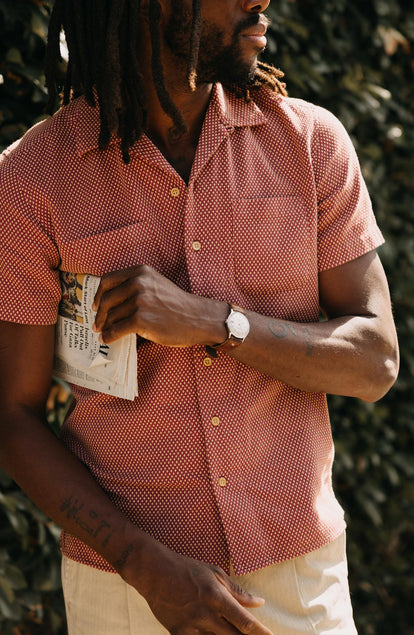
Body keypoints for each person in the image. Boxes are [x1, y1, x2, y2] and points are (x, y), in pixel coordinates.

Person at [0, 0, 399, 633]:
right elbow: (14, 416)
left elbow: (375, 360)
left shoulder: (310, 143)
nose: (261, 1)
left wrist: (215, 324)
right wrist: (142, 562)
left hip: (299, 585)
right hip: (125, 595)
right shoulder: (35, 179)